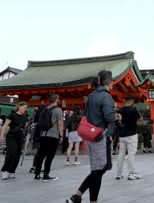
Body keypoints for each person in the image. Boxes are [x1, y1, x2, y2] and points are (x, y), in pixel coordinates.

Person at [66, 70, 121, 203]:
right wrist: (117, 116)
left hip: (90, 135)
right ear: (107, 82)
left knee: (99, 169)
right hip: (101, 136)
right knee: (99, 170)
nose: (113, 83)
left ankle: (81, 197)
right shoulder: (106, 96)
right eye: (112, 80)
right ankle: (76, 196)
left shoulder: (91, 95)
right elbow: (108, 116)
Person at [34, 93, 64, 181]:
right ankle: (46, 175)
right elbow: (60, 123)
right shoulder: (58, 110)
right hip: (53, 136)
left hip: (43, 135)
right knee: (49, 156)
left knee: (40, 155)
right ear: (57, 99)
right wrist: (61, 135)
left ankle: (37, 174)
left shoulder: (45, 109)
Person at [116, 94, 143, 180]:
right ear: (132, 101)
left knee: (121, 154)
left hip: (122, 135)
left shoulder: (120, 110)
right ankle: (132, 173)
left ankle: (118, 174)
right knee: (131, 154)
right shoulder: (134, 109)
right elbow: (141, 119)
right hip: (132, 135)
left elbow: (117, 120)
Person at [0, 101, 28, 180]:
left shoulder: (25, 116)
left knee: (17, 155)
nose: (25, 109)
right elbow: (5, 126)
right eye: (24, 107)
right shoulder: (12, 115)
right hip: (11, 136)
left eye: (26, 107)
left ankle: (12, 171)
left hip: (20, 137)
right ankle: (4, 170)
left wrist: (25, 136)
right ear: (19, 107)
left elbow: (24, 128)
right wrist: (1, 135)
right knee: (11, 153)